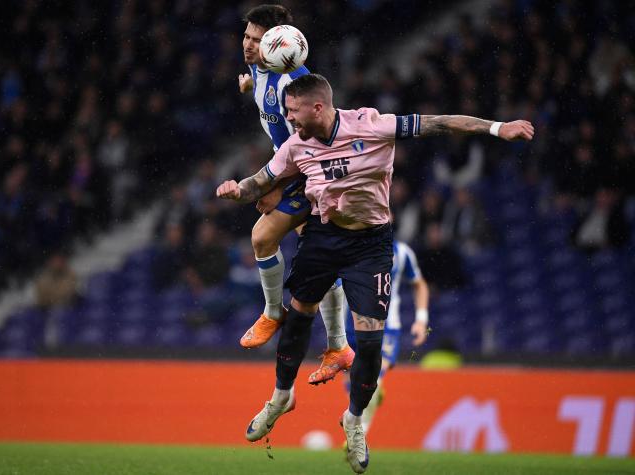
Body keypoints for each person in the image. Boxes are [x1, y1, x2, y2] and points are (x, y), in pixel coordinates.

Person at [216, 73, 534, 473]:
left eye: (294, 111)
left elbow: (441, 122)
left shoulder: (373, 125)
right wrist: (236, 190)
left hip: (370, 245)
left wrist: (497, 127)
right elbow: (260, 182)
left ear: (318, 107)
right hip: (324, 238)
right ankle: (280, 398)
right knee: (298, 316)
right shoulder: (296, 146)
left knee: (369, 345)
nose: (289, 119)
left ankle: (353, 421)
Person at [237, 5, 353, 385]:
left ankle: (277, 314)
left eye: (258, 40)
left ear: (276, 44)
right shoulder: (260, 69)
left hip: (313, 177)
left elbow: (313, 150)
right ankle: (337, 345)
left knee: (263, 237)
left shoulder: (295, 86)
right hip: (291, 171)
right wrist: (249, 86)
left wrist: (279, 190)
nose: (249, 46)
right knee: (317, 261)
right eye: (248, 37)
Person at [344, 239, 430, 435]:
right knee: (354, 382)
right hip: (352, 325)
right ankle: (367, 398)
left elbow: (419, 284)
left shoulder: (402, 252)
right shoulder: (349, 245)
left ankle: (359, 434)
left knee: (374, 377)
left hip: (387, 326)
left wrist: (421, 320)